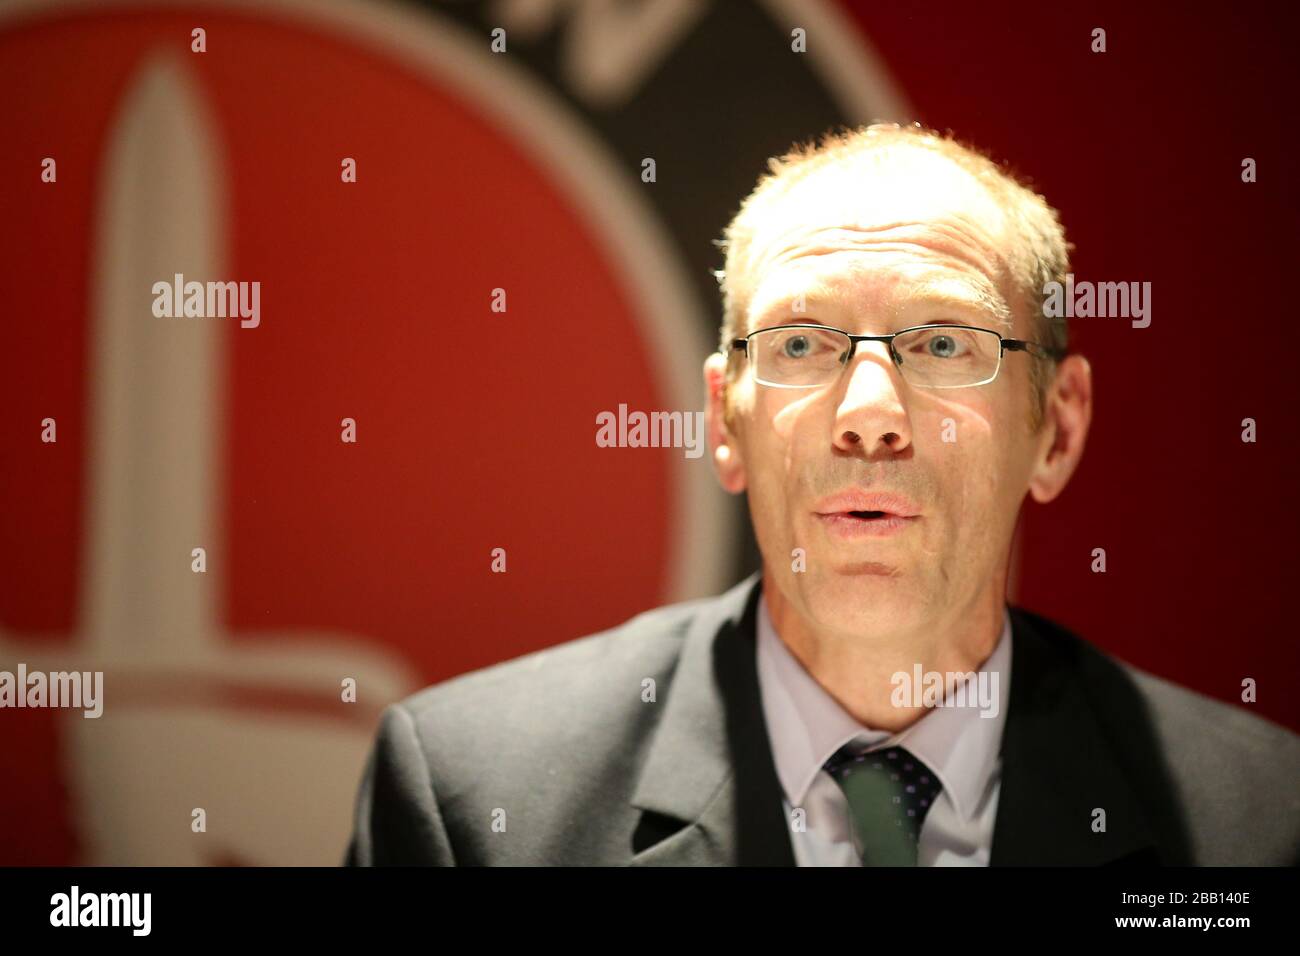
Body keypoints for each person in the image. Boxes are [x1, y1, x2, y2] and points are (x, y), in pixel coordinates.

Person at [345, 124, 1300, 866]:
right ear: (725, 421)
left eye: (943, 344)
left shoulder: (1261, 822)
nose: (871, 415)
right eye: (801, 344)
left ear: (1056, 427)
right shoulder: (476, 799)